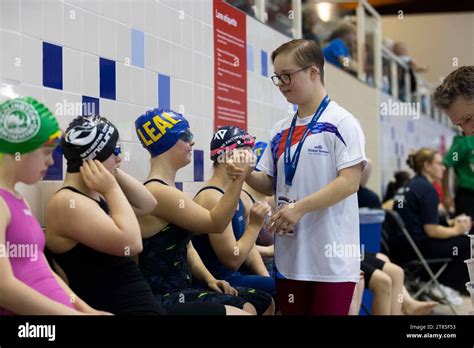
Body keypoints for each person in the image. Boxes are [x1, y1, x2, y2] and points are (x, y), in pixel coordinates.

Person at [228, 39, 366, 315]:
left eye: (287, 76)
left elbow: (349, 182)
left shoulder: (343, 123)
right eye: (277, 78)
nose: (281, 84)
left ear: (313, 72)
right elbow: (268, 182)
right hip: (290, 260)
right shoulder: (280, 130)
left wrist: (299, 208)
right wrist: (244, 175)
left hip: (331, 261)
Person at [135, 108, 274, 315]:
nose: (192, 142)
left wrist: (209, 278)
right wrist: (239, 178)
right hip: (162, 295)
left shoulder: (169, 189)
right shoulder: (158, 191)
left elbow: (187, 247)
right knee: (245, 311)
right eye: (187, 136)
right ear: (168, 142)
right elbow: (216, 223)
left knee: (262, 301)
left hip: (183, 287)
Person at [0, 97, 107, 315]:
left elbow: (44, 272)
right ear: (21, 148)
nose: (50, 162)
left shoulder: (19, 199)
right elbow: (4, 289)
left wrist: (87, 310)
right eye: (46, 152)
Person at [193, 127, 276, 297]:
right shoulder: (212, 198)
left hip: (235, 277)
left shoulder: (236, 196)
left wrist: (265, 278)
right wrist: (254, 225)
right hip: (218, 281)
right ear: (230, 156)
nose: (253, 158)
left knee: (282, 287)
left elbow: (249, 248)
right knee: (285, 290)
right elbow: (233, 260)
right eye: (247, 151)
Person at [391, 148, 472, 293]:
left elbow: (421, 220)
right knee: (466, 242)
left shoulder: (410, 184)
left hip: (400, 247)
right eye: (439, 164)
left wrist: (452, 223)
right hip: (416, 249)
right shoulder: (427, 189)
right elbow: (432, 230)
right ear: (427, 166)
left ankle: (428, 282)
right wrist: (457, 229)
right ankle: (444, 286)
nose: (443, 167)